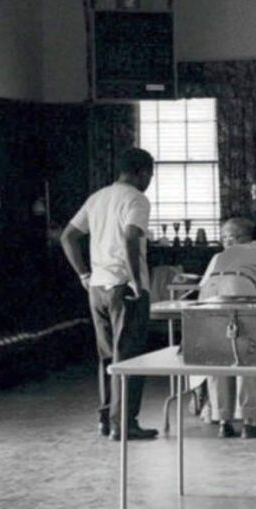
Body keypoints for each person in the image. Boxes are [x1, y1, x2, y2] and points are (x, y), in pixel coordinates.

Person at [60, 147, 158, 441]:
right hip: (124, 286)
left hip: (97, 287)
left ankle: (106, 419)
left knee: (107, 356)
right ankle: (124, 424)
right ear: (143, 172)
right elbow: (130, 238)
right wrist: (136, 281)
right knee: (129, 356)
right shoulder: (136, 199)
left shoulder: (98, 197)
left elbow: (68, 237)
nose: (149, 181)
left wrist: (83, 274)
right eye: (150, 176)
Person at [197, 217, 256, 439]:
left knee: (217, 358)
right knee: (247, 357)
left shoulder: (220, 255)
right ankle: (249, 422)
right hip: (241, 292)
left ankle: (223, 421)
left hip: (209, 296)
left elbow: (202, 284)